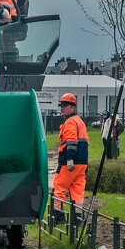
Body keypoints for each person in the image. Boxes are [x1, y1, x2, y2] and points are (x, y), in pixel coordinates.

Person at [51, 93, 88, 225]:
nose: (62, 108)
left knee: (58, 187)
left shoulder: (70, 122)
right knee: (77, 191)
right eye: (61, 105)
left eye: (65, 105)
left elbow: (72, 142)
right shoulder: (80, 122)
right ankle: (77, 220)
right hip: (82, 163)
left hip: (69, 162)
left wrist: (70, 159)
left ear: (72, 107)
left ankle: (58, 217)